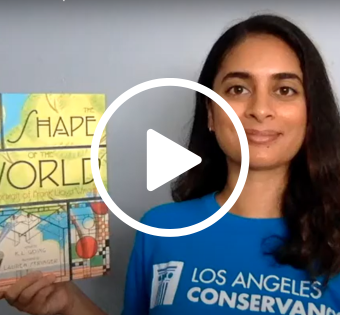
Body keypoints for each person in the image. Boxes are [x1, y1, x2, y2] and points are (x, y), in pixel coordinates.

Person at [1, 13, 340, 315]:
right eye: (238, 88)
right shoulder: (161, 229)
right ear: (209, 113)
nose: (260, 109)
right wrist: (68, 305)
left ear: (311, 114)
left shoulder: (334, 239)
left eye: (284, 90)